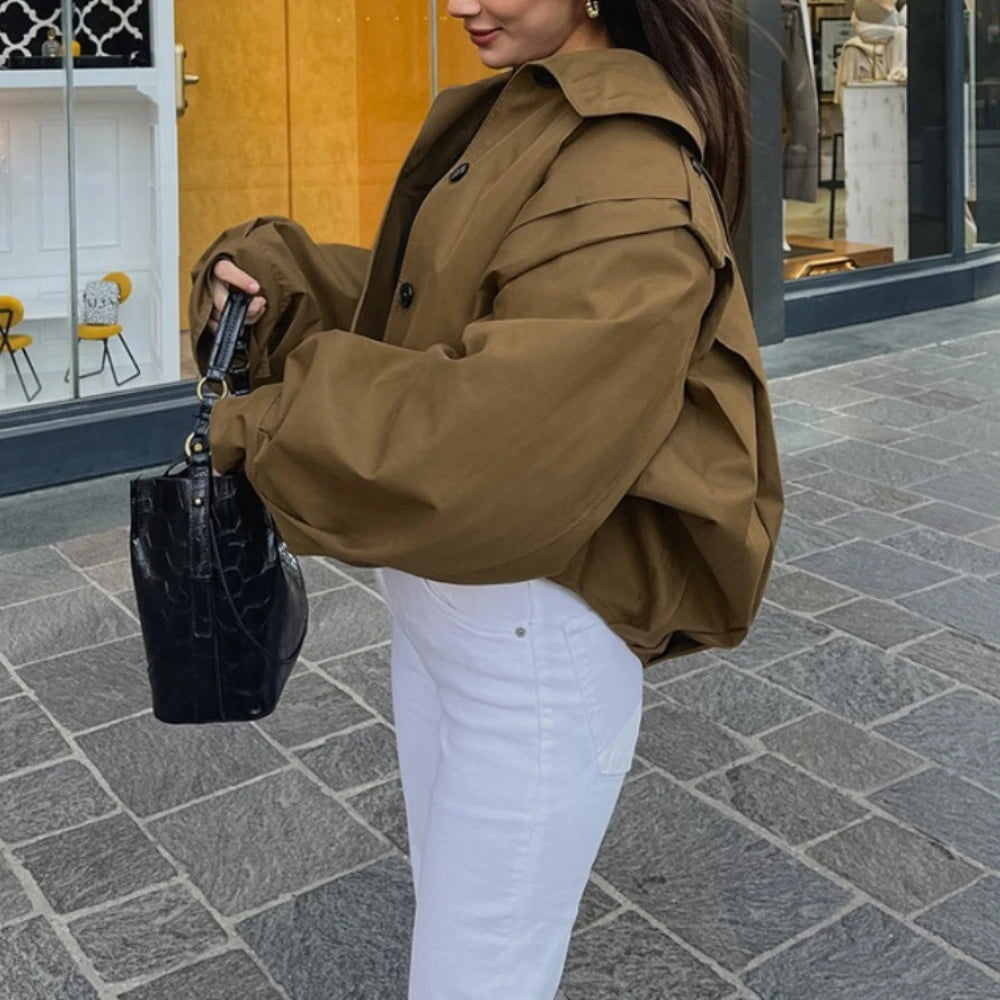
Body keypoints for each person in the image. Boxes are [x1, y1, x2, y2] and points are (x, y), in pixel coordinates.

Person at [188, 1, 783, 996]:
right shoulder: (531, 108)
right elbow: (432, 308)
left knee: (475, 970)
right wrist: (278, 285)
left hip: (532, 650)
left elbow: (497, 438)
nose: (460, 1)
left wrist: (259, 427)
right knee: (463, 930)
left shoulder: (625, 169)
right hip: (449, 620)